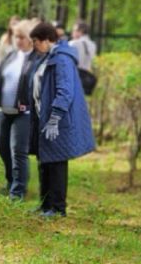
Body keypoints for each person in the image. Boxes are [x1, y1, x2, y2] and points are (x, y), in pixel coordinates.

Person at [25, 20, 96, 218]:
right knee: (44, 162)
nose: (34, 46)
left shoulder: (62, 59)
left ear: (47, 40)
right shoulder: (47, 56)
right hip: (43, 117)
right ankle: (45, 204)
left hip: (57, 120)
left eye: (36, 42)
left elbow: (65, 91)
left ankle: (57, 208)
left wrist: (55, 117)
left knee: (56, 164)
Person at [0, 19, 36, 200]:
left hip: (23, 112)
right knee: (2, 147)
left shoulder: (36, 59)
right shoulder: (11, 56)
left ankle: (18, 190)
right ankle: (10, 181)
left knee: (18, 150)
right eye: (16, 37)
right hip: (3, 109)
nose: (18, 40)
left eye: (22, 37)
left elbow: (36, 86)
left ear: (30, 38)